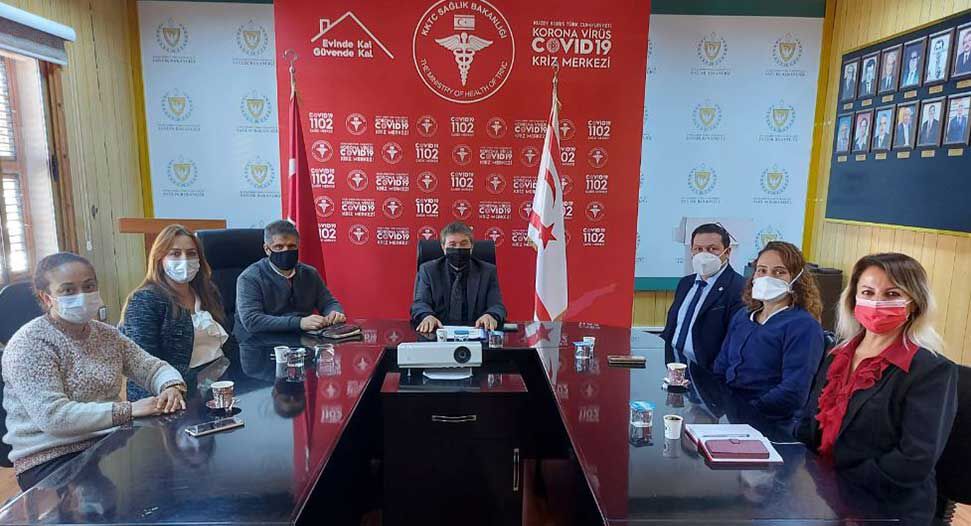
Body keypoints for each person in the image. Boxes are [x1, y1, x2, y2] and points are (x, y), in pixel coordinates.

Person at [2, 253, 186, 491]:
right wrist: (128, 410)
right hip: (52, 458)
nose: (81, 295)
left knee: (170, 475)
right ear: (46, 298)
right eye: (68, 290)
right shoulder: (30, 344)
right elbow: (54, 417)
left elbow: (152, 367)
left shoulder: (106, 334)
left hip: (107, 441)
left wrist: (171, 386)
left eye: (88, 286)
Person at [798, 253, 957, 523]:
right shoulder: (837, 355)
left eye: (891, 294)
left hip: (884, 506)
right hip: (822, 494)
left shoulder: (932, 371)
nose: (877, 302)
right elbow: (807, 424)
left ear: (914, 303)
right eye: (867, 292)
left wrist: (835, 484)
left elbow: (914, 460)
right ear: (853, 300)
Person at [714, 241, 824, 423]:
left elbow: (793, 391)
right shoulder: (743, 316)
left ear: (796, 279)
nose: (768, 277)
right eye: (762, 270)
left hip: (769, 421)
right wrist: (717, 403)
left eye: (779, 272)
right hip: (730, 413)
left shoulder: (804, 326)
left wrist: (748, 412)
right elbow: (721, 365)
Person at [120, 225, 228, 401]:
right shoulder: (145, 300)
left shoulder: (208, 292)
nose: (184, 260)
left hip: (216, 382)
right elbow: (143, 364)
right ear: (159, 259)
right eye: (175, 254)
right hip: (172, 393)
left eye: (191, 253)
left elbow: (227, 343)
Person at [235, 220, 345, 339]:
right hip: (258, 342)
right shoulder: (249, 278)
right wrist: (299, 323)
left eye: (291, 246)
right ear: (267, 249)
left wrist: (334, 312)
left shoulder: (310, 273)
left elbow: (328, 302)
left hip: (302, 339)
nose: (286, 251)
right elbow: (252, 321)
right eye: (279, 247)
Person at [660, 223, 746, 371]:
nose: (704, 254)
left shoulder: (739, 288)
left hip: (707, 375)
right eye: (698, 249)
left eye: (712, 249)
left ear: (727, 252)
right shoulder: (686, 283)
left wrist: (714, 376)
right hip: (673, 368)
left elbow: (735, 343)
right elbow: (672, 328)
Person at [412, 222, 507, 332]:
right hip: (437, 334)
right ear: (443, 247)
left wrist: (490, 315)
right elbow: (420, 303)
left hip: (476, 333)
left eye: (463, 244)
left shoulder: (487, 271)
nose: (458, 248)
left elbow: (497, 306)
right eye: (452, 244)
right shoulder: (429, 270)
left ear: (471, 247)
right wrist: (427, 316)